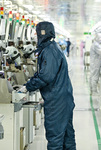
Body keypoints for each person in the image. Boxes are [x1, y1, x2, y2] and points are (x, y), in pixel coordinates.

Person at [24, 21, 76, 150]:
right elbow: (45, 72)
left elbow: (46, 76)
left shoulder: (49, 50)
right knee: (67, 137)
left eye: (37, 34)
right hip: (64, 98)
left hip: (56, 100)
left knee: (55, 138)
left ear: (42, 34)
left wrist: (28, 86)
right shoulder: (52, 47)